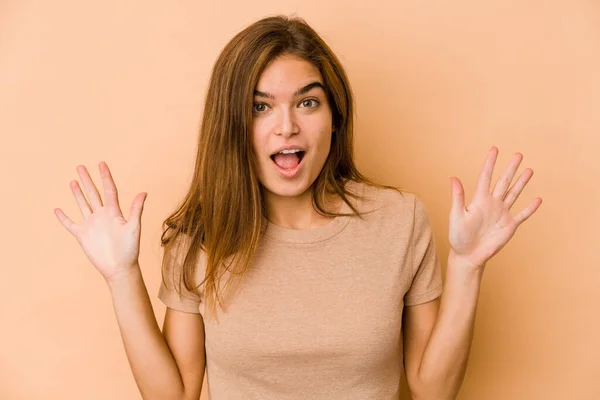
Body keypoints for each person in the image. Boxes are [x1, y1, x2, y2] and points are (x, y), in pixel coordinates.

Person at [54, 14, 542, 400]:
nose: (286, 126)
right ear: (233, 126)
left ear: (334, 117)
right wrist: (121, 276)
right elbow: (174, 394)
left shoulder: (400, 220)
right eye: (259, 107)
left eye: (307, 103)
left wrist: (466, 267)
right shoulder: (202, 236)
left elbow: (431, 390)